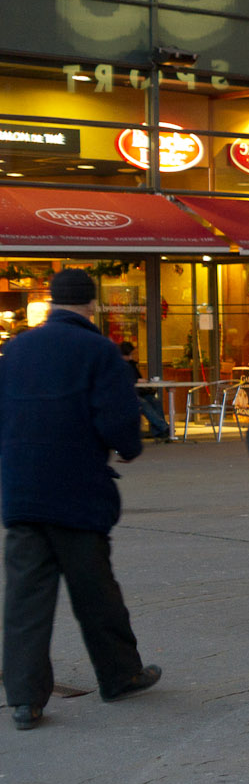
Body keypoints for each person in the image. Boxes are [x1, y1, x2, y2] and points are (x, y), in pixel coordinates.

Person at [1, 270, 160, 730]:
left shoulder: (15, 349)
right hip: (76, 491)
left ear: (53, 302)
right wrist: (129, 447)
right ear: (92, 304)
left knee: (25, 599)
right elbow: (117, 417)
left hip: (22, 491)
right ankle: (119, 674)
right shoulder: (99, 351)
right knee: (95, 592)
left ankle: (24, 701)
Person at [119, 341, 171, 441]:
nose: (132, 356)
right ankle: (164, 427)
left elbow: (136, 377)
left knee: (155, 401)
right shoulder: (117, 364)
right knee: (142, 403)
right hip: (124, 395)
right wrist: (136, 380)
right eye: (131, 354)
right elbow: (121, 380)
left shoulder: (131, 364)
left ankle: (159, 432)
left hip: (137, 392)